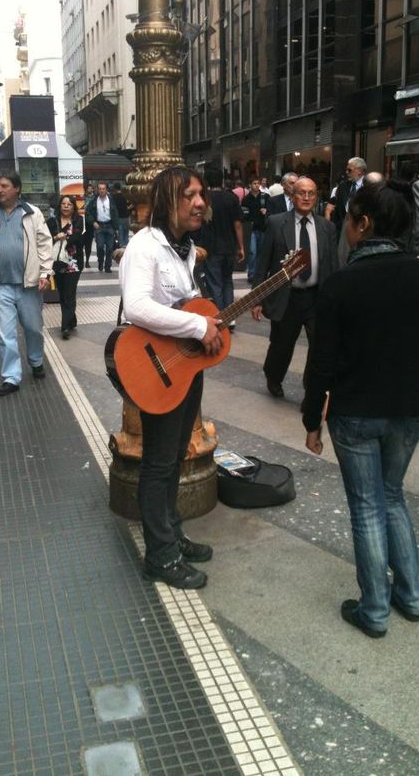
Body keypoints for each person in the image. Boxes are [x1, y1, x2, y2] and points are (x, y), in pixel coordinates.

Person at [303, 182, 419, 638]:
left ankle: (373, 609)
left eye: (350, 220)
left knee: (367, 507)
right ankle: (410, 595)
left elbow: (321, 363)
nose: (346, 228)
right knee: (392, 497)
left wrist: (312, 420)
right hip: (408, 411)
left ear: (364, 223)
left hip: (355, 413)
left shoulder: (340, 285)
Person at [119, 166, 223, 589]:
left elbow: (182, 304)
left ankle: (172, 533)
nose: (200, 203)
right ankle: (160, 556)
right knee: (159, 464)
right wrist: (198, 326)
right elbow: (137, 306)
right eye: (189, 195)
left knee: (174, 458)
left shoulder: (185, 249)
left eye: (201, 194)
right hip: (155, 371)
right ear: (167, 200)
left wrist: (205, 319)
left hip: (182, 368)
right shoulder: (145, 246)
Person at [251, 176, 338, 398]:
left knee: (319, 346)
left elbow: (333, 265)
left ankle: (312, 388)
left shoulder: (327, 227)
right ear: (292, 195)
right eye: (301, 192)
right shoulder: (276, 223)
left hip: (316, 298)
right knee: (281, 345)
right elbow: (263, 262)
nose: (306, 197)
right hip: (287, 297)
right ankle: (273, 377)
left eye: (311, 193)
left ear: (316, 197)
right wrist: (257, 298)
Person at [0, 169, 52, 397]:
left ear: (17, 188)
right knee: (5, 334)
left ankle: (36, 360)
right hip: (0, 286)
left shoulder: (32, 213)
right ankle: (11, 377)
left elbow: (44, 244)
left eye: (4, 186)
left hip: (29, 285)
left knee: (33, 329)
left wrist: (45, 273)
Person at [200, 165, 245, 314]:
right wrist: (241, 247)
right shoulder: (231, 197)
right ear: (222, 180)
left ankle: (220, 315)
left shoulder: (205, 199)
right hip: (229, 246)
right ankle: (230, 314)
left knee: (215, 283)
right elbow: (237, 224)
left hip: (211, 247)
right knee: (227, 281)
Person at [47, 195, 84, 339]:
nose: (66, 206)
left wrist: (66, 239)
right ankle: (71, 320)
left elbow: (78, 237)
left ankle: (65, 327)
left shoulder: (78, 220)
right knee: (63, 294)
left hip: (73, 263)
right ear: (59, 206)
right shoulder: (52, 221)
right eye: (63, 204)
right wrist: (56, 237)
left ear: (73, 206)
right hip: (58, 262)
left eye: (69, 204)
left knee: (70, 293)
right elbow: (46, 239)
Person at [326, 157, 367, 239]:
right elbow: (338, 211)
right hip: (342, 231)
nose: (346, 172)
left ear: (359, 171)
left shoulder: (369, 186)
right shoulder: (343, 186)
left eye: (349, 170)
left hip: (362, 232)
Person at [84, 182, 120, 273]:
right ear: (97, 190)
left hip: (109, 225)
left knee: (109, 248)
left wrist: (116, 227)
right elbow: (87, 213)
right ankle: (100, 261)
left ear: (106, 190)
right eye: (100, 189)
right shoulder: (94, 200)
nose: (102, 191)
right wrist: (93, 222)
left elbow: (115, 213)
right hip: (99, 226)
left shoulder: (111, 200)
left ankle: (108, 266)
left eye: (103, 189)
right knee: (100, 246)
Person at [241, 176, 269, 282]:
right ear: (250, 185)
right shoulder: (246, 199)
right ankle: (251, 274)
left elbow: (271, 210)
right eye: (254, 183)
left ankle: (259, 274)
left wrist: (266, 211)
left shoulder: (265, 197)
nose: (257, 185)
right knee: (252, 252)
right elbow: (243, 213)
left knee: (261, 252)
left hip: (263, 227)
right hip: (251, 229)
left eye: (258, 183)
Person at [112, 182, 130, 247]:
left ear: (114, 188)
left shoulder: (113, 197)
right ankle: (126, 246)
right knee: (126, 234)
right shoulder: (125, 196)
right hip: (126, 217)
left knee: (120, 234)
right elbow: (129, 205)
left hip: (118, 217)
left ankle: (121, 247)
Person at [82, 183, 95, 266]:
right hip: (82, 221)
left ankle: (87, 260)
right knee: (81, 243)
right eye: (88, 188)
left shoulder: (95, 198)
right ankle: (81, 260)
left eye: (90, 188)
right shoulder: (82, 198)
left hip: (90, 223)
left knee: (88, 243)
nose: (89, 190)